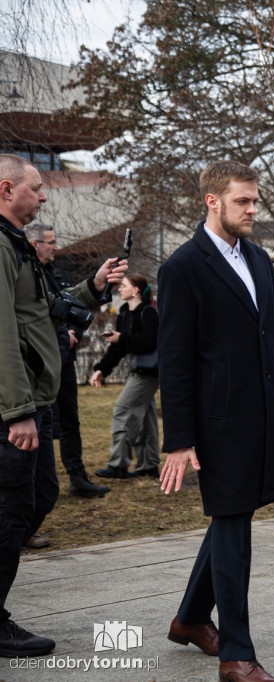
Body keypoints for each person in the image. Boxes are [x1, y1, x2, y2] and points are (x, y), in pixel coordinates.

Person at [158, 160, 274, 682]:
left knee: (231, 516)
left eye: (254, 200)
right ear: (212, 201)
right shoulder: (183, 267)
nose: (252, 209)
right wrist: (179, 440)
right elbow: (174, 361)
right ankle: (236, 656)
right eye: (243, 201)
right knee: (234, 526)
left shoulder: (259, 258)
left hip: (263, 415)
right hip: (217, 422)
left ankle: (191, 618)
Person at [0, 153, 126, 656]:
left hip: (35, 401)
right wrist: (17, 412)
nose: (44, 194)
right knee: (12, 510)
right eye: (35, 187)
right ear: (5, 189)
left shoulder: (16, 243)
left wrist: (93, 287)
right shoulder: (2, 245)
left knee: (36, 497)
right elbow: (2, 334)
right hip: (16, 410)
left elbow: (43, 309)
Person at [25, 224, 109, 499]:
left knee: (70, 420)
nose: (56, 247)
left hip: (64, 361)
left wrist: (72, 330)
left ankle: (77, 477)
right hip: (40, 364)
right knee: (42, 423)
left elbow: (73, 306)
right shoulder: (25, 275)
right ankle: (34, 484)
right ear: (35, 245)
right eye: (50, 242)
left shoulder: (57, 274)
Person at [90, 273, 161, 479]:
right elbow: (118, 348)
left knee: (123, 410)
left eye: (124, 286)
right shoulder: (124, 313)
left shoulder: (149, 312)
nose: (120, 289)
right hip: (133, 369)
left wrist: (122, 338)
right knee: (146, 418)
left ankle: (118, 465)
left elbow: (150, 341)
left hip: (147, 372)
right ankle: (149, 465)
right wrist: (102, 369)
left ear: (136, 290)